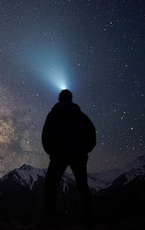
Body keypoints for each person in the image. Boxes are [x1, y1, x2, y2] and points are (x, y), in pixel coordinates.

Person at [42, 89, 96, 222]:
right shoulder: (81, 116)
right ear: (71, 99)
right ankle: (89, 219)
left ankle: (50, 220)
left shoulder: (53, 115)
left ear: (60, 99)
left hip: (58, 155)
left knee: (50, 187)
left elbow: (45, 136)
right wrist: (85, 150)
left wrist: (51, 152)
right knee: (83, 186)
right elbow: (92, 134)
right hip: (79, 155)